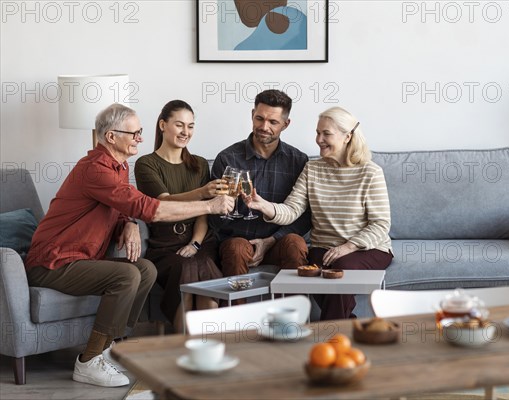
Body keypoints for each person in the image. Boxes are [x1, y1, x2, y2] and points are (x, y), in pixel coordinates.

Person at [25, 103, 234, 388]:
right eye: (134, 133)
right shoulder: (95, 169)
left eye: (140, 132)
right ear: (111, 136)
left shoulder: (119, 166)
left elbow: (120, 204)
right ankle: (88, 361)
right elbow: (150, 208)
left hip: (81, 259)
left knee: (145, 269)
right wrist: (209, 205)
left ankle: (109, 347)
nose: (140, 139)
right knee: (126, 275)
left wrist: (128, 223)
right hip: (53, 262)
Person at [244, 106, 393, 320]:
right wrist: (264, 205)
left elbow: (380, 224)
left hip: (367, 248)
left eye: (326, 134)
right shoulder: (312, 169)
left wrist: (348, 247)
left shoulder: (370, 172)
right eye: (317, 132)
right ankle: (343, 327)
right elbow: (292, 209)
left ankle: (329, 337)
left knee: (339, 268)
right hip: (324, 248)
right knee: (311, 269)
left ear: (347, 136)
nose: (319, 139)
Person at [135, 100, 223, 333]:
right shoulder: (146, 164)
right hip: (165, 245)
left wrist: (195, 243)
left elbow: (205, 212)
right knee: (186, 268)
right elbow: (162, 203)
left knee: (200, 263)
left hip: (200, 241)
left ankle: (209, 353)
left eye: (191, 126)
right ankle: (183, 352)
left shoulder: (201, 165)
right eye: (180, 125)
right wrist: (202, 193)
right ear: (163, 125)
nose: (186, 132)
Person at [209, 89, 311, 281]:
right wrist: (223, 208)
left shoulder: (298, 161)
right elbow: (214, 220)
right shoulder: (227, 158)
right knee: (237, 247)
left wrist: (270, 241)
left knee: (295, 244)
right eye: (259, 118)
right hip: (238, 241)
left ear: (286, 124)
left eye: (273, 122)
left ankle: (293, 310)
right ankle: (237, 311)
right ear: (252, 115)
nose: (264, 126)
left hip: (278, 241)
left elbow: (305, 217)